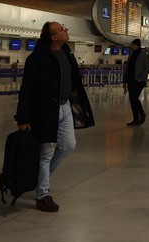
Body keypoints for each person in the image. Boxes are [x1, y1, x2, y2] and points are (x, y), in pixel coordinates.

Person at [15, 21, 94, 213]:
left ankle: (40, 177)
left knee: (68, 145)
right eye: (62, 29)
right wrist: (23, 118)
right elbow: (27, 89)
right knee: (46, 151)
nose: (66, 30)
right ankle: (43, 195)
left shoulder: (67, 53)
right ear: (54, 37)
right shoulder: (37, 58)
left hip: (65, 106)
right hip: (44, 110)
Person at [123, 39, 149, 126]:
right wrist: (124, 81)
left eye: (133, 44)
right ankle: (136, 118)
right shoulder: (131, 56)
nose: (131, 46)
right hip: (130, 80)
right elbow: (127, 69)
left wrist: (141, 78)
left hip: (139, 81)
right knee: (132, 100)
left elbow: (148, 68)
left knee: (134, 98)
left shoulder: (144, 56)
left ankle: (141, 113)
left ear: (137, 45)